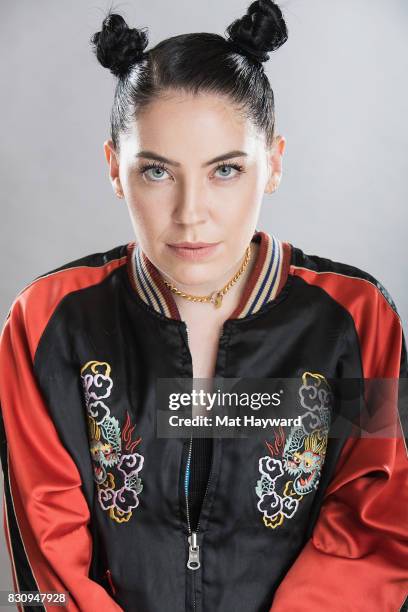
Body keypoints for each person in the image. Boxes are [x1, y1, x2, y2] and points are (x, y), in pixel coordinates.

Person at [0, 1, 407, 611]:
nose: (191, 213)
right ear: (115, 169)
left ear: (272, 163)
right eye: (158, 171)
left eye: (225, 170)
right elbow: (48, 548)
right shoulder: (49, 321)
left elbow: (377, 525)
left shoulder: (356, 318)